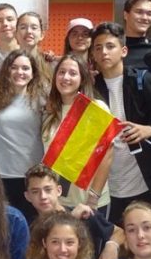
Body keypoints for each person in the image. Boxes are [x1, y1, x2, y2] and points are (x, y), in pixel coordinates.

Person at [89, 21, 151, 221]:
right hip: (107, 184)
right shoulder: (91, 88)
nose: (104, 52)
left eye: (110, 46)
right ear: (93, 55)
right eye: (98, 47)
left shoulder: (142, 80)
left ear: (123, 51)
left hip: (144, 180)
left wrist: (149, 130)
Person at [41, 54, 112, 215]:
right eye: (61, 72)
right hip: (58, 202)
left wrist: (93, 199)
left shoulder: (95, 107)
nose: (66, 77)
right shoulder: (50, 111)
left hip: (90, 202)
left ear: (82, 78)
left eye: (73, 73)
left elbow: (107, 154)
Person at [24, 164, 124, 259]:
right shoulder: (28, 228)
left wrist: (112, 246)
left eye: (48, 190)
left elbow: (119, 232)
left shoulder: (84, 214)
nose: (43, 196)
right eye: (35, 191)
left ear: (58, 190)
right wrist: (70, 219)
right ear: (27, 196)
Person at [0, 49, 47, 223]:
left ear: (33, 73)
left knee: (32, 228)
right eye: (14, 67)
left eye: (25, 68)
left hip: (31, 177)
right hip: (1, 176)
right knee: (4, 229)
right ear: (7, 71)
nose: (20, 72)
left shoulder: (43, 101)